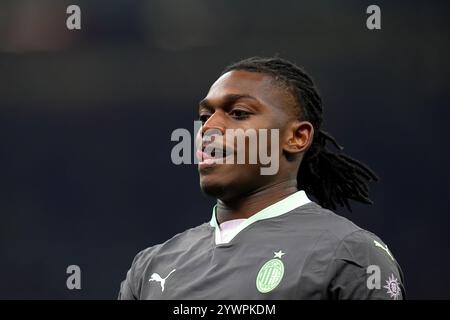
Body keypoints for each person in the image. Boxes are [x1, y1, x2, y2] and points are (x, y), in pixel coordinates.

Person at [118, 57, 405, 300]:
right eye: (205, 116)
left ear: (296, 137)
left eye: (238, 113)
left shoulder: (349, 254)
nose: (209, 127)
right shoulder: (151, 268)